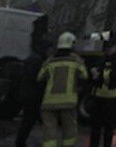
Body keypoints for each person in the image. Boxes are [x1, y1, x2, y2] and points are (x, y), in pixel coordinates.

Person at [37, 31, 87, 147]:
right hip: (68, 102)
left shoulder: (50, 61)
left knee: (49, 132)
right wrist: (80, 61)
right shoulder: (75, 62)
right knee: (69, 131)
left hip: (49, 102)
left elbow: (39, 77)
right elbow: (84, 76)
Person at [14, 16, 48, 147]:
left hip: (29, 94)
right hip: (33, 95)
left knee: (29, 119)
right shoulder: (37, 60)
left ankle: (21, 142)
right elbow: (37, 78)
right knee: (30, 119)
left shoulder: (32, 56)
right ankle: (21, 142)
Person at [88, 41, 116, 147]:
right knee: (96, 128)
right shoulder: (103, 58)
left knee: (108, 128)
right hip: (99, 97)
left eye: (110, 47)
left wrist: (100, 74)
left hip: (111, 99)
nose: (108, 49)